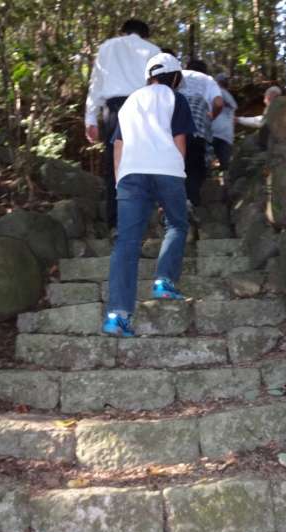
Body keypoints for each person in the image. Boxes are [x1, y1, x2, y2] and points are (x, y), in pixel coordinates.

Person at [102, 53, 196, 337]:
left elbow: (118, 145)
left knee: (126, 242)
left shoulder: (130, 101)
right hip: (167, 169)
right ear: (175, 76)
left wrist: (119, 181)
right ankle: (164, 281)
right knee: (177, 224)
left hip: (130, 174)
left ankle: (117, 316)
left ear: (149, 76)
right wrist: (176, 176)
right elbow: (179, 140)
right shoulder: (175, 98)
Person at [84, 20, 160, 234]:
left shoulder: (107, 47)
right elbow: (159, 88)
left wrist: (90, 119)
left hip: (115, 110)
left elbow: (96, 84)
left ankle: (116, 223)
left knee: (115, 166)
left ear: (123, 31)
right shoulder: (154, 50)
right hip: (144, 109)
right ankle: (140, 220)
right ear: (145, 34)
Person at [179, 60, 223, 207]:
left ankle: (165, 206)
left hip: (172, 128)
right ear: (205, 71)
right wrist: (211, 116)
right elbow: (218, 103)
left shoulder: (178, 75)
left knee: (172, 166)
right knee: (194, 167)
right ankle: (190, 203)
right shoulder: (208, 80)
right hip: (196, 130)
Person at [211, 72, 238, 171]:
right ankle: (226, 179)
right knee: (225, 164)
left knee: (205, 161)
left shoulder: (215, 92)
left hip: (214, 131)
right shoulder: (230, 97)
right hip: (226, 134)